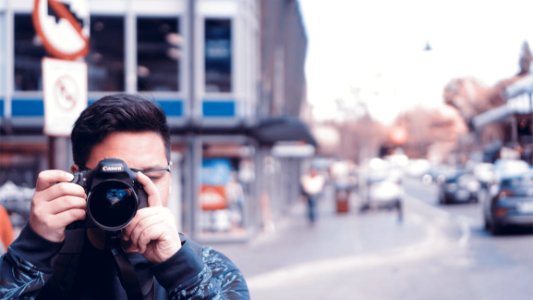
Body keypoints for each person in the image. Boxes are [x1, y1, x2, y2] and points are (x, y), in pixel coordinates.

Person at [0, 94, 250, 299]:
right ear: (78, 179)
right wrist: (33, 249)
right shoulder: (41, 265)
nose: (127, 193)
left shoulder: (212, 270)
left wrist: (179, 269)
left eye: (150, 176)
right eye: (114, 180)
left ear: (170, 177)